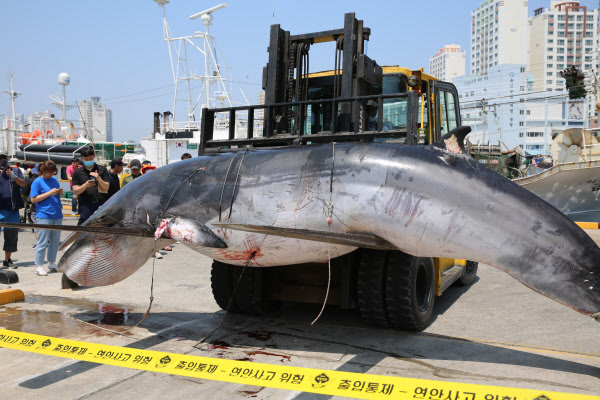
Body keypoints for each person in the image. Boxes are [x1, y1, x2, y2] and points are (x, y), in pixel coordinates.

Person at [30, 160, 63, 276]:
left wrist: (59, 193)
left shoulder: (54, 180)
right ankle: (39, 265)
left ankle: (52, 262)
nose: (50, 174)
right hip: (44, 214)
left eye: (52, 172)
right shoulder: (37, 182)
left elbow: (56, 196)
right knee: (42, 241)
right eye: (49, 172)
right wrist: (49, 193)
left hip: (57, 214)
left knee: (55, 241)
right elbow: (33, 199)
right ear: (43, 171)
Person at [71, 146, 110, 225]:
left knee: (100, 228)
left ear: (94, 156)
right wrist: (85, 185)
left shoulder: (102, 169)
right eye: (86, 159)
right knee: (85, 227)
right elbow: (75, 191)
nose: (88, 161)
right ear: (82, 159)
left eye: (90, 158)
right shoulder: (77, 172)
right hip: (85, 205)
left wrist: (98, 178)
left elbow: (107, 187)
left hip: (100, 204)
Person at [0, 151, 25, 269]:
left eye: (2, 158)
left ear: (7, 159)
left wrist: (14, 177)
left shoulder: (15, 171)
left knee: (11, 235)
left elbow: (23, 184)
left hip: (12, 209)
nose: (1, 160)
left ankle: (7, 259)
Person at [22, 163, 41, 248]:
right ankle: (47, 241)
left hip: (35, 206)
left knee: (36, 226)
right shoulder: (51, 180)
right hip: (47, 207)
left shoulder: (31, 180)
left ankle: (39, 243)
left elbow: (24, 193)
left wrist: (24, 201)